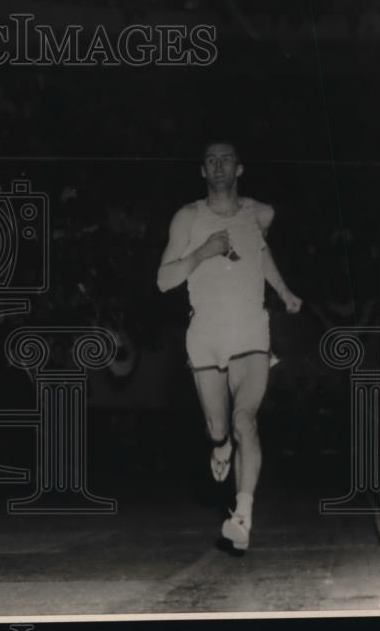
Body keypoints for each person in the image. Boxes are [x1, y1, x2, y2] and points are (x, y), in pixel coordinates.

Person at [156, 141, 301, 551]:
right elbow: (164, 280)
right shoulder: (187, 218)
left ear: (240, 169)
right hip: (205, 334)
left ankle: (242, 515)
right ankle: (219, 447)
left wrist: (285, 291)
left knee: (245, 422)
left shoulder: (261, 213)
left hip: (250, 331)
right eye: (210, 160)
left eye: (227, 160)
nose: (219, 166)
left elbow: (260, 251)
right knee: (220, 429)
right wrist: (203, 252)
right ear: (203, 171)